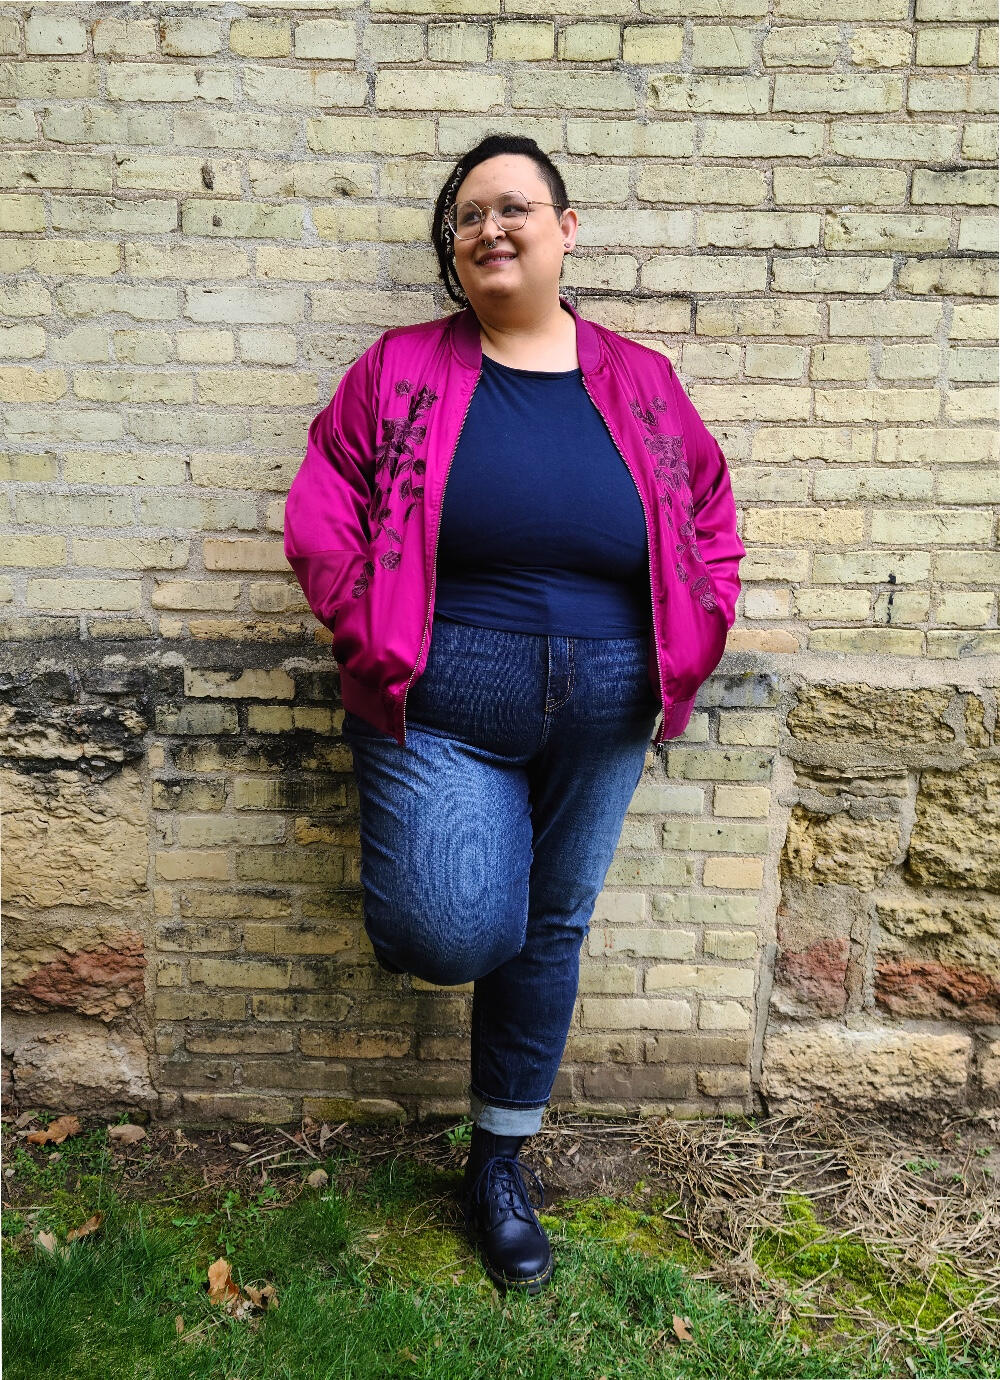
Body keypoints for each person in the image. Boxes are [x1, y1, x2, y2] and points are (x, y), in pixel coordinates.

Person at [283, 134, 745, 1295]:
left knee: (555, 930)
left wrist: (702, 622)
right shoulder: (398, 370)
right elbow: (324, 505)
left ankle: (498, 1164)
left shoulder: (640, 380)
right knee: (456, 929)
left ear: (565, 228)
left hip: (606, 705)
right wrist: (365, 626)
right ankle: (460, 907)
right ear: (453, 249)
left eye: (515, 208)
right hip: (443, 702)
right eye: (470, 216)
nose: (492, 229)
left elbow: (707, 508)